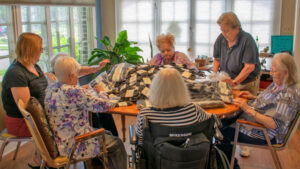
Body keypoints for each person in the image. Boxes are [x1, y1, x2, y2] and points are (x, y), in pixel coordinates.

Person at [218, 52, 300, 169]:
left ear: (285, 72)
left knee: (221, 134)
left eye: (274, 71)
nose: (271, 73)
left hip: (266, 133)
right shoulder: (279, 84)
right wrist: (253, 96)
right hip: (256, 120)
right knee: (221, 123)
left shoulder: (287, 95)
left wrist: (247, 109)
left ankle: (231, 166)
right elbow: (271, 101)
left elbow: (273, 124)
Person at [45, 56, 127, 169]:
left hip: (61, 141)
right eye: (77, 74)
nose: (78, 77)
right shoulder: (74, 91)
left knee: (107, 133)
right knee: (117, 143)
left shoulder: (50, 89)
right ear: (71, 76)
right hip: (77, 145)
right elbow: (104, 106)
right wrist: (101, 91)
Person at [135, 68, 211, 142]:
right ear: (182, 88)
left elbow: (141, 138)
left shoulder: (145, 114)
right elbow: (211, 123)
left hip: (156, 154)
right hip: (190, 153)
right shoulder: (194, 109)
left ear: (155, 89)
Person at [1, 32, 47, 137]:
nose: (42, 51)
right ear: (31, 50)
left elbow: (45, 89)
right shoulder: (16, 73)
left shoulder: (34, 66)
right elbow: (28, 108)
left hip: (39, 117)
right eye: (39, 48)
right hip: (24, 122)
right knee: (66, 122)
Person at [213, 11, 261, 95]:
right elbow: (217, 59)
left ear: (237, 28)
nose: (224, 34)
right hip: (229, 81)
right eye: (222, 30)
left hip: (246, 84)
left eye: (227, 31)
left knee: (244, 105)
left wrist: (234, 82)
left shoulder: (247, 40)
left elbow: (249, 67)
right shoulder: (221, 38)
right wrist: (214, 75)